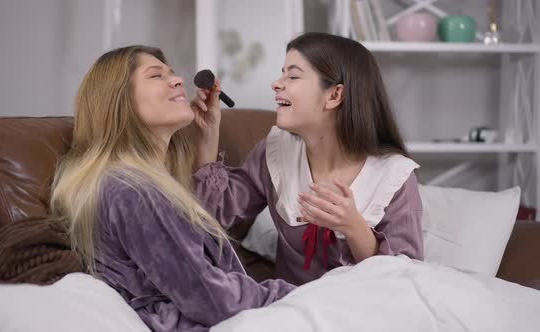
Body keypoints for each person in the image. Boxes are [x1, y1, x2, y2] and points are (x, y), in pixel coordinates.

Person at [50, 45, 294, 332]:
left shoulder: (142, 185)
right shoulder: (133, 192)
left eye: (172, 73)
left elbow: (195, 250)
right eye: (156, 76)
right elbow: (210, 297)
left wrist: (207, 138)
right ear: (119, 100)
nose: (178, 80)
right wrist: (295, 295)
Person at [193, 32, 424, 286]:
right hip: (290, 310)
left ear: (335, 95)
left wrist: (353, 227)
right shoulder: (276, 151)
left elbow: (405, 282)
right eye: (282, 73)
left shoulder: (394, 177)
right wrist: (208, 134)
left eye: (292, 76)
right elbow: (211, 214)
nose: (276, 84)